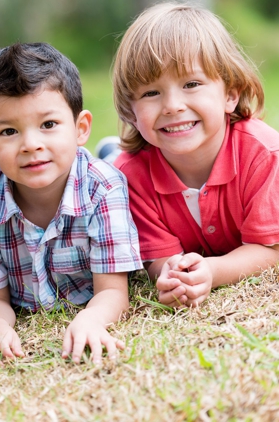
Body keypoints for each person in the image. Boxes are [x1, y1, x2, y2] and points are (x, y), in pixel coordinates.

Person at [0, 43, 142, 366]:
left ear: (80, 128)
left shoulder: (103, 188)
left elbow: (113, 290)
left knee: (115, 165)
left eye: (48, 125)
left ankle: (111, 151)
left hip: (98, 187)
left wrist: (93, 318)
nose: (31, 145)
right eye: (9, 131)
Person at [112, 3, 279, 308]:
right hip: (127, 160)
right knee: (113, 161)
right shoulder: (127, 177)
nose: (173, 105)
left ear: (230, 94)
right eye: (151, 93)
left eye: (191, 84)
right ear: (130, 112)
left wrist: (213, 271)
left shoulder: (264, 155)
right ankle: (111, 147)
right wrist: (173, 275)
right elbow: (159, 257)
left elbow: (270, 250)